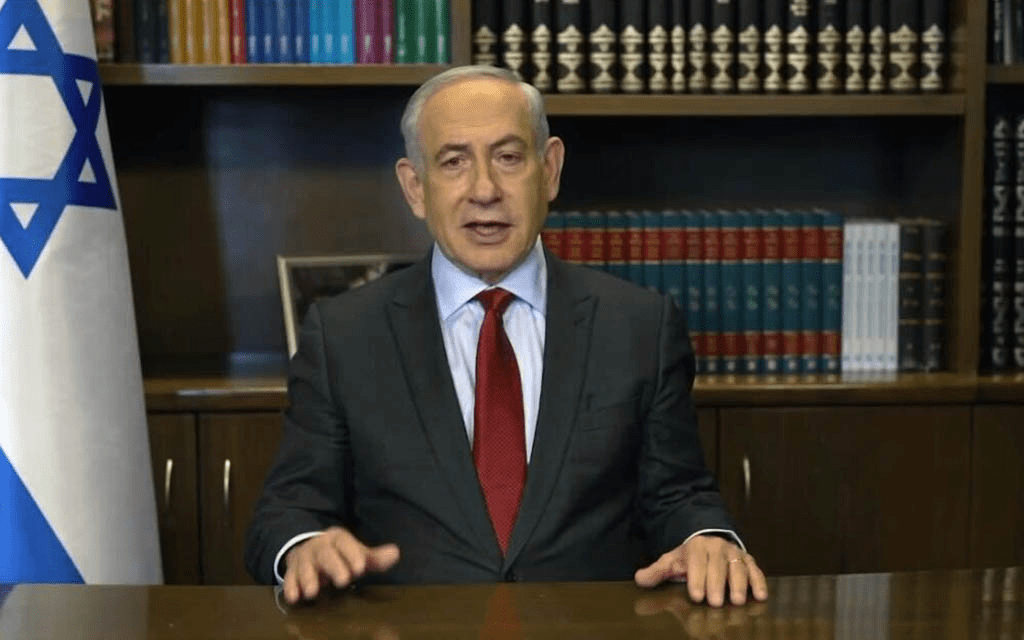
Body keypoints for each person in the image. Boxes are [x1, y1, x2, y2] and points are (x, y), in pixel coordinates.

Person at [244, 65, 768, 608]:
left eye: (509, 157)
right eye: (454, 162)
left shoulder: (639, 325)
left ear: (550, 170)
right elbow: (287, 511)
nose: (485, 190)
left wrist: (706, 539)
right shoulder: (344, 336)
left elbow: (678, 495)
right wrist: (304, 546)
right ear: (415, 187)